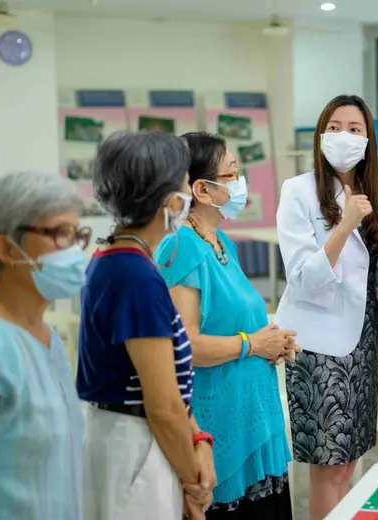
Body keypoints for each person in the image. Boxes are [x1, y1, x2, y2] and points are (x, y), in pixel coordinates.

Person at [275, 94, 378, 520]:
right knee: (329, 465)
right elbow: (302, 276)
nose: (344, 136)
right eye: (335, 126)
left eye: (355, 129)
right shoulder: (298, 190)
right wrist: (345, 225)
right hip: (318, 343)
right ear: (321, 134)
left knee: (351, 459)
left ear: (368, 139)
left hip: (362, 341)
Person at [155, 131, 298, 520]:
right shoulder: (181, 247)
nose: (241, 183)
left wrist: (273, 341)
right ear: (201, 188)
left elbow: (237, 322)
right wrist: (253, 345)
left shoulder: (222, 244)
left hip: (256, 413)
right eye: (232, 173)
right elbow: (186, 346)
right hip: (221, 420)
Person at [77, 131, 216, 520]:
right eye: (186, 185)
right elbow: (163, 405)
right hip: (134, 448)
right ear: (169, 201)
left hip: (140, 442)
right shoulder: (132, 276)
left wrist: (200, 440)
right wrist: (194, 480)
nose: (188, 195)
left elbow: (173, 392)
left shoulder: (119, 259)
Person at [0, 172, 88, 519]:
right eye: (59, 234)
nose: (72, 251)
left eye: (76, 234)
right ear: (7, 248)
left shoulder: (49, 340)